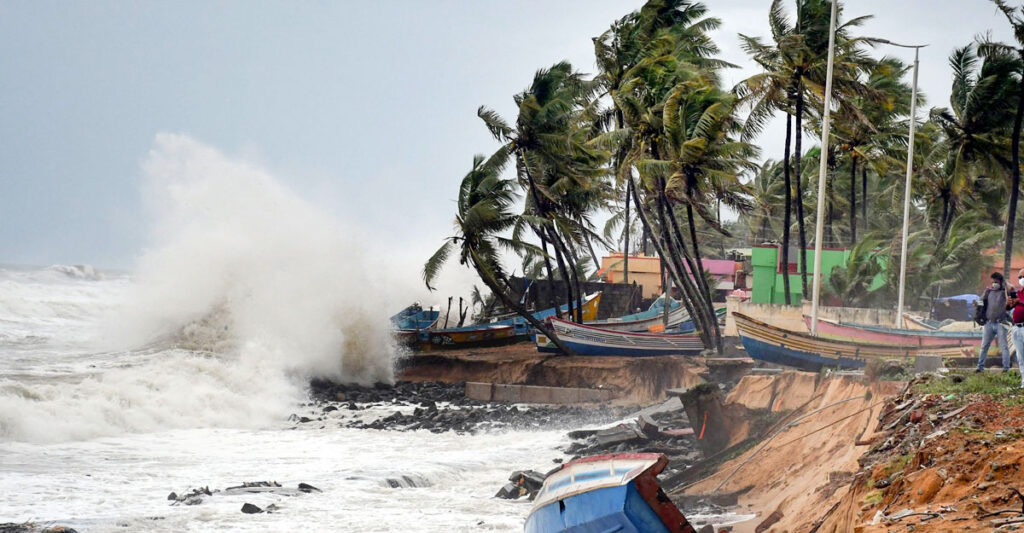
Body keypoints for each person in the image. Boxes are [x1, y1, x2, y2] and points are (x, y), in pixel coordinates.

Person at [977, 272, 1011, 372]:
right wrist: (977, 306)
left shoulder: (1004, 292)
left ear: (1000, 282)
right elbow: (980, 302)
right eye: (993, 281)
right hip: (988, 323)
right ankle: (980, 367)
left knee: (1004, 346)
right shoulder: (988, 292)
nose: (994, 283)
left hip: (1001, 323)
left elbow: (1011, 291)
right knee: (984, 346)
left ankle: (1006, 368)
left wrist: (1005, 284)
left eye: (996, 282)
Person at [1008, 270, 1024, 387]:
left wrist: (1020, 301)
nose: (1021, 279)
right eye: (1019, 277)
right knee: (1021, 358)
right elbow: (1007, 308)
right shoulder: (1019, 293)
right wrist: (1009, 303)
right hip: (1017, 328)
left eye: (1023, 276)